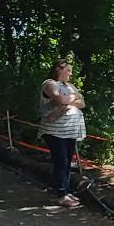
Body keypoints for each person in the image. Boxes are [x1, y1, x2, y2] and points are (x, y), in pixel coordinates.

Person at [39, 60, 85, 207]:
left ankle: (65, 191)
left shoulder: (70, 86)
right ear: (59, 69)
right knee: (61, 161)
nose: (71, 74)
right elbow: (59, 99)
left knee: (66, 163)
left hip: (70, 131)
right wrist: (72, 99)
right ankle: (61, 194)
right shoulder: (49, 83)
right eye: (68, 70)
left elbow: (82, 102)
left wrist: (68, 101)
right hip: (54, 131)